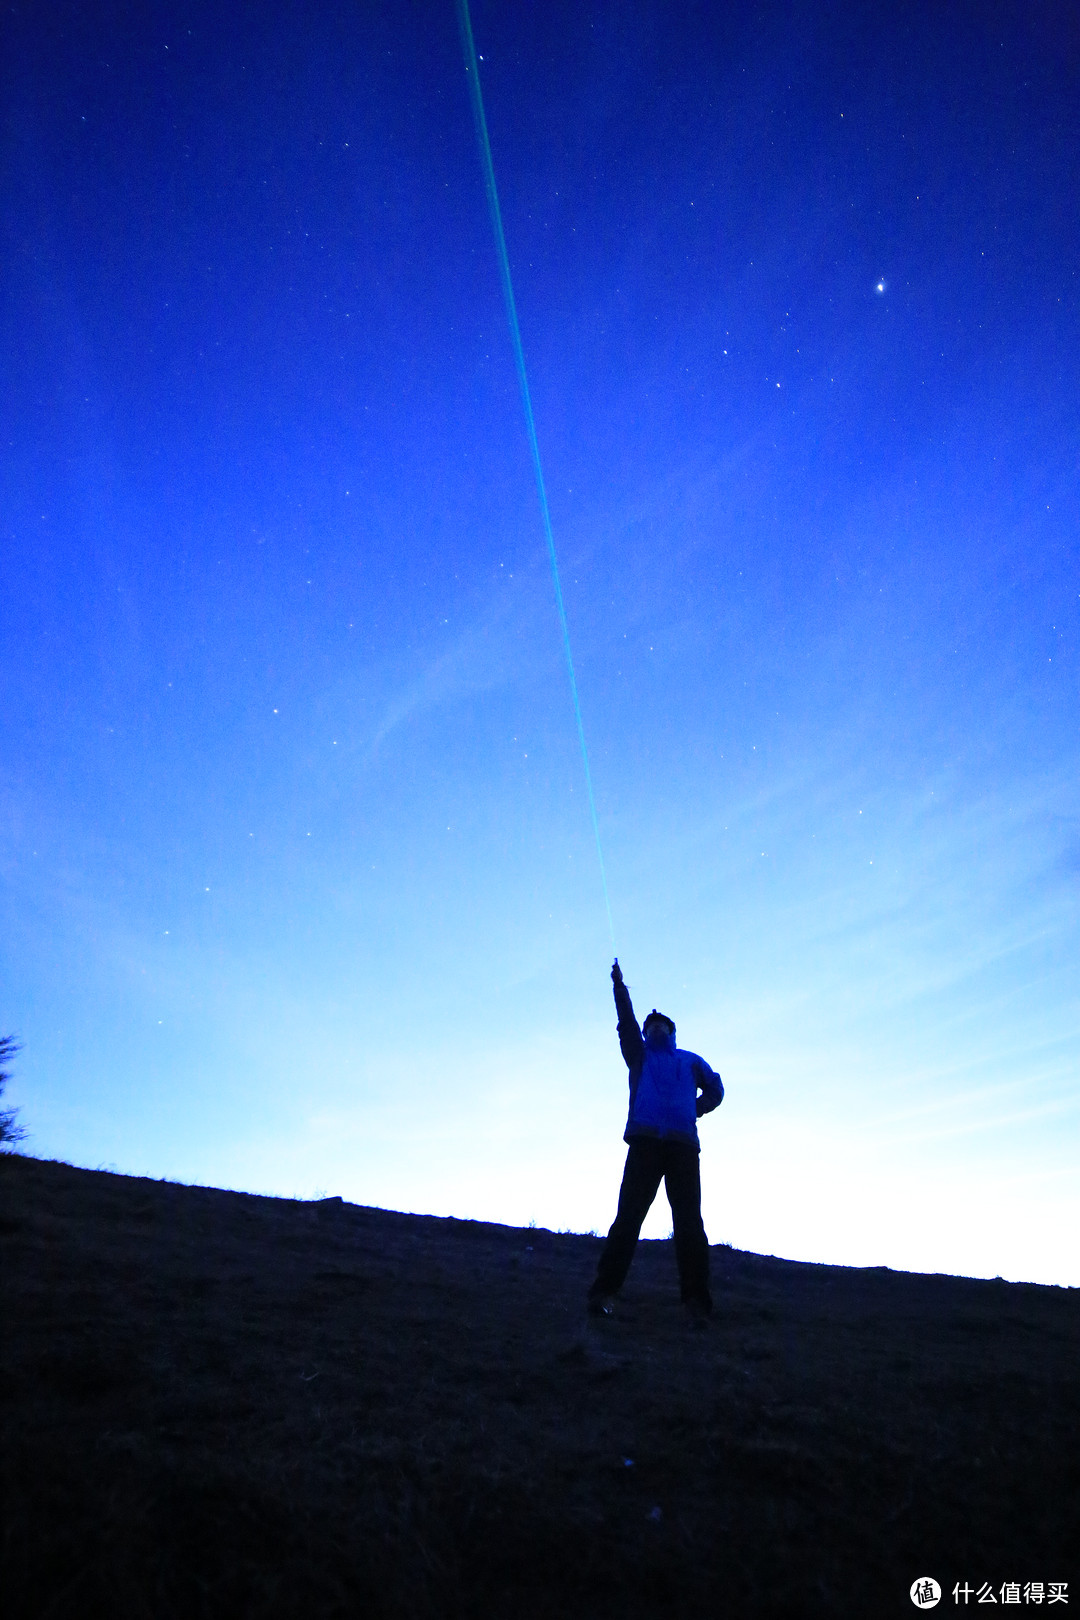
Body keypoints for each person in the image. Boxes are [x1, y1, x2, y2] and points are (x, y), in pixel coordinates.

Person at [588, 960, 724, 1328]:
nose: (654, 1028)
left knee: (689, 1224)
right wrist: (619, 986)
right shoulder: (639, 1055)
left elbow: (716, 1086)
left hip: (682, 1148)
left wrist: (695, 1109)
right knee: (628, 1219)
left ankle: (696, 1302)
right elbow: (626, 1023)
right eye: (650, 1027)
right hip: (645, 1145)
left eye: (661, 1025)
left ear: (673, 1032)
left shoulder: (690, 1060)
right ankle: (604, 1293)